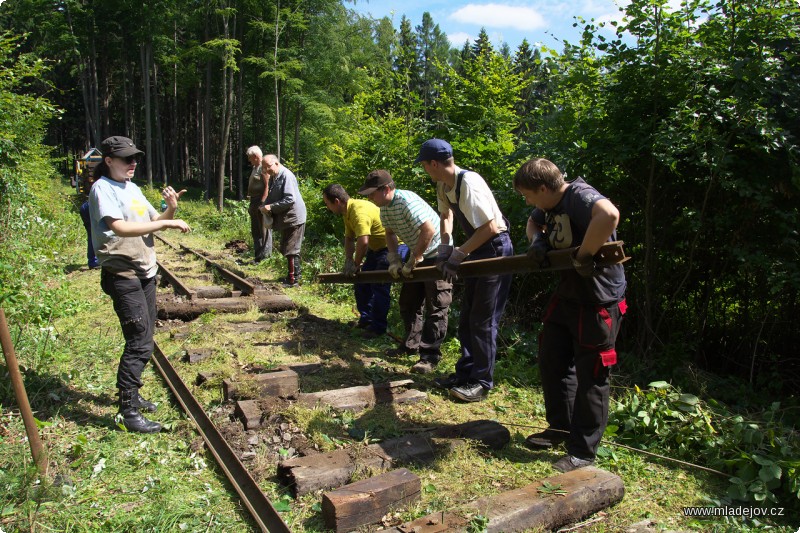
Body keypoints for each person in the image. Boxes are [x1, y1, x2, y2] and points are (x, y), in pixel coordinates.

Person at [513, 158, 627, 473]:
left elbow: (609, 215)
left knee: (592, 375)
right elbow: (533, 222)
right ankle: (560, 430)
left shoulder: (578, 194)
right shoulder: (549, 205)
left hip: (597, 300)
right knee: (553, 359)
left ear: (544, 188)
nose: (528, 202)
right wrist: (536, 239)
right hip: (568, 296)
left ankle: (582, 452)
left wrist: (585, 253)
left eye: (529, 195)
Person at [89, 136, 191, 433]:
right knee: (139, 342)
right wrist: (165, 224)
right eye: (126, 159)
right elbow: (119, 227)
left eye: (135, 158)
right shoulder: (103, 189)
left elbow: (155, 218)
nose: (132, 163)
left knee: (144, 337)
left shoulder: (131, 188)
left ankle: (132, 395)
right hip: (122, 273)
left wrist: (170, 209)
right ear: (108, 160)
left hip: (145, 271)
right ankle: (128, 413)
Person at [415, 139, 513, 402]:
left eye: (424, 165)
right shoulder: (443, 184)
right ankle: (466, 373)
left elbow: (490, 228)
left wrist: (459, 254)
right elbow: (446, 216)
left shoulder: (468, 182)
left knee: (483, 319)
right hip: (476, 248)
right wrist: (446, 246)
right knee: (468, 315)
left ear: (434, 163)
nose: (424, 169)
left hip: (494, 248)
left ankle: (482, 381)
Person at [358, 170, 452, 373]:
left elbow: (429, 230)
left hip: (436, 254)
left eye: (372, 193)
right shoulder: (384, 208)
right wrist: (394, 258)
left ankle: (429, 356)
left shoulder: (406, 201)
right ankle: (410, 345)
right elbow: (390, 233)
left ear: (386, 189)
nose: (370, 198)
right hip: (415, 254)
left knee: (437, 306)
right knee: (408, 303)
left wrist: (415, 258)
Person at [322, 183, 391, 338]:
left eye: (327, 203)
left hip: (392, 247)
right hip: (376, 249)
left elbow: (363, 241)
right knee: (361, 282)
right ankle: (366, 320)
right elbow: (349, 238)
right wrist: (348, 260)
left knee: (379, 284)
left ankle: (378, 327)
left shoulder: (358, 211)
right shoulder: (347, 212)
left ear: (337, 202)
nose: (327, 207)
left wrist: (356, 263)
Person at [259, 155, 307, 287]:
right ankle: (290, 276)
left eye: (268, 166)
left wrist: (271, 207)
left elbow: (290, 199)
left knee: (292, 248)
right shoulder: (275, 176)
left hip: (294, 217)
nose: (266, 169)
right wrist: (265, 205)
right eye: (264, 167)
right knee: (286, 247)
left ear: (276, 163)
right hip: (287, 219)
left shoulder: (286, 175)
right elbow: (273, 195)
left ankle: (294, 280)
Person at [246, 146, 272, 263]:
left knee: (264, 230)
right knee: (255, 230)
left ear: (256, 157)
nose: (249, 160)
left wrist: (263, 203)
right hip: (253, 201)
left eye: (250, 158)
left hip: (261, 202)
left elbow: (267, 186)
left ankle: (265, 257)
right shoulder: (255, 167)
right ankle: (258, 256)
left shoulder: (263, 167)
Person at [79, 173, 100, 269]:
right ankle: (94, 261)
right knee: (94, 233)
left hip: (87, 206)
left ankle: (94, 260)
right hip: (91, 206)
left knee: (92, 233)